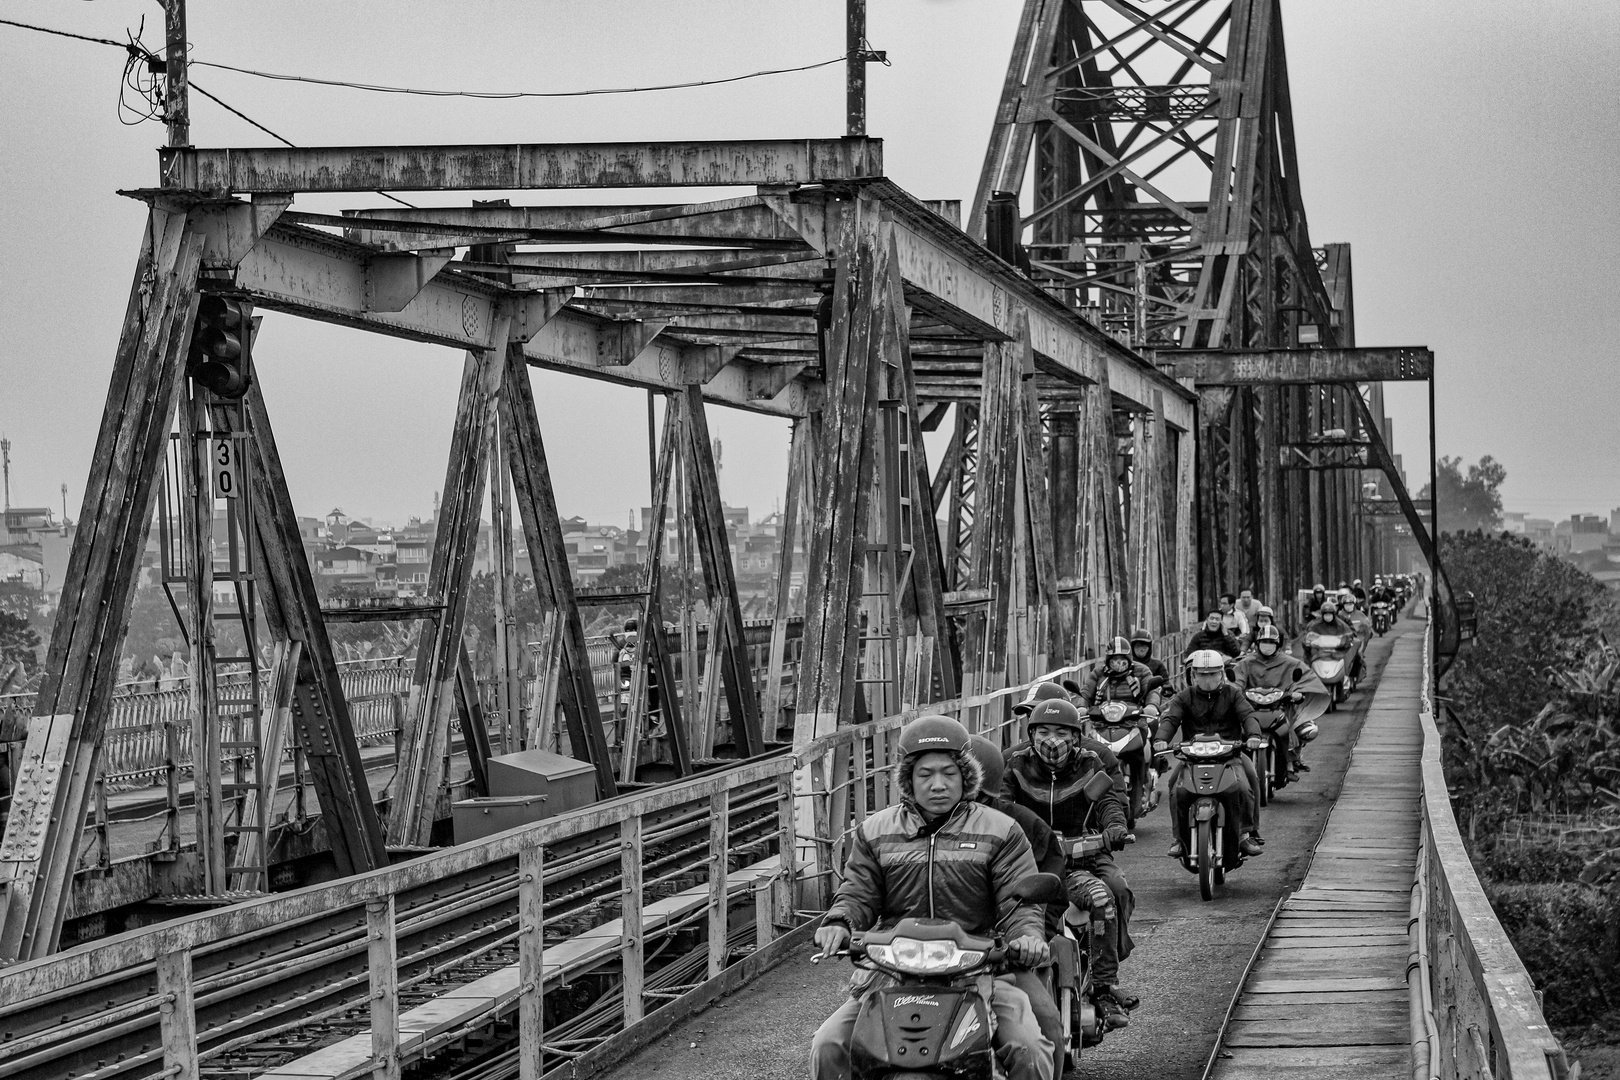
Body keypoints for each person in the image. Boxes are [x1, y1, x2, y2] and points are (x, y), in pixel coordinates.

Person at [811, 716, 1055, 1080]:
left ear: (966, 777)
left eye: (949, 773)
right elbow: (858, 890)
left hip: (980, 968)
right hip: (893, 971)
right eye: (925, 775)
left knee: (1030, 1049)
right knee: (828, 1045)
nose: (938, 785)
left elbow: (1020, 900)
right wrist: (839, 921)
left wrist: (1027, 938)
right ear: (908, 779)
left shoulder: (1001, 830)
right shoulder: (875, 831)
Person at [1003, 699, 1138, 1030]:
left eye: (1062, 732)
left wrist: (1115, 827)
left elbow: (1108, 801)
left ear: (1077, 737)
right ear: (1031, 734)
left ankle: (1104, 988)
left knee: (1105, 898)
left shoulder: (1091, 763)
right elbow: (1000, 803)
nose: (1053, 739)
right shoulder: (1015, 764)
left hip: (1077, 866)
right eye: (1044, 731)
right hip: (1026, 868)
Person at [967, 736, 1071, 1080]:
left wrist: (1031, 940)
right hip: (922, 960)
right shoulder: (901, 830)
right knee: (840, 1041)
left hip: (1000, 956)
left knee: (1048, 1028)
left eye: (972, 795)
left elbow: (1047, 894)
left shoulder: (1019, 828)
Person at [1154, 650, 1264, 859]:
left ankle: (1246, 833)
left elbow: (1248, 715)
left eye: (1212, 674)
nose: (1207, 679)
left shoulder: (1233, 694)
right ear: (1193, 676)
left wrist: (1254, 735)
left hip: (1230, 757)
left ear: (1221, 674)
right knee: (1175, 787)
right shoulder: (1184, 697)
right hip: (1191, 759)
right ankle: (1179, 837)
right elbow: (1170, 719)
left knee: (1248, 781)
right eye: (1202, 674)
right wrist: (1161, 738)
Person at [1066, 636, 1164, 821]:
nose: (1118, 664)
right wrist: (1080, 706)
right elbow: (1086, 692)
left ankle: (1143, 784)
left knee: (1143, 751)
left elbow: (1152, 691)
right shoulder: (1099, 674)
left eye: (1122, 660)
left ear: (1129, 659)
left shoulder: (1141, 671)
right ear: (1108, 660)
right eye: (1114, 660)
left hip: (1134, 723)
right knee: (1086, 755)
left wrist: (1151, 705)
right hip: (1102, 725)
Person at [1233, 626, 1321, 777]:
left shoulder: (1291, 662)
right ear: (1257, 644)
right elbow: (1236, 681)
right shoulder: (1246, 663)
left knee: (1295, 723)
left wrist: (1297, 693)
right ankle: (1235, 760)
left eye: (1271, 643)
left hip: (1281, 706)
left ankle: (1291, 759)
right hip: (1252, 707)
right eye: (1264, 642)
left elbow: (1302, 680)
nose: (1267, 646)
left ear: (1278, 645)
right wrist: (1236, 691)